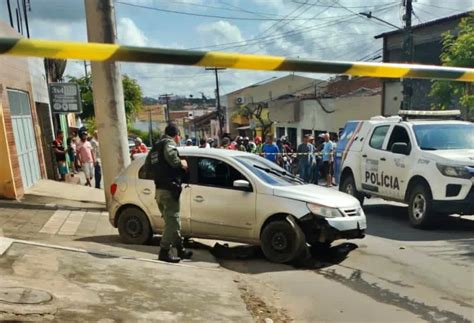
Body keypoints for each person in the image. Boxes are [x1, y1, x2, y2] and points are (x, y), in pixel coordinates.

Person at [145, 123, 192, 263]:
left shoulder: (155, 147)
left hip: (159, 189)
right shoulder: (169, 143)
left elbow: (147, 167)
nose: (179, 139)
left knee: (172, 221)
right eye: (179, 136)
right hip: (169, 190)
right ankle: (164, 251)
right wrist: (182, 163)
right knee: (172, 222)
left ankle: (180, 249)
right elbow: (172, 158)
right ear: (176, 135)